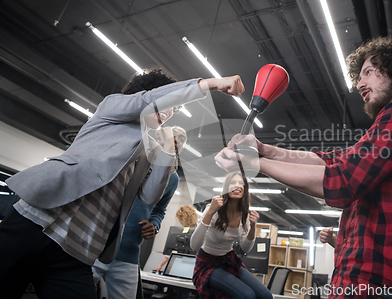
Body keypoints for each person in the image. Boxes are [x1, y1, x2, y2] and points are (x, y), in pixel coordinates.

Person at [215, 37, 392, 298]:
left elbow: (342, 181)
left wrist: (254, 163)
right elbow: (331, 161)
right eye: (359, 76)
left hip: (385, 283)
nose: (359, 84)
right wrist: (264, 149)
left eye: (369, 72)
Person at [0, 69, 244, 299]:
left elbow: (149, 197)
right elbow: (147, 101)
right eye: (168, 105)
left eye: (174, 109)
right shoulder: (112, 108)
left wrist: (168, 149)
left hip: (77, 250)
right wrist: (210, 84)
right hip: (37, 222)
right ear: (147, 94)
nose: (169, 112)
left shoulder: (152, 148)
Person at [92, 126, 187, 299]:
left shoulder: (171, 179)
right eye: (173, 134)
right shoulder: (133, 157)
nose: (176, 139)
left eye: (181, 139)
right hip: (96, 246)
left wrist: (155, 225)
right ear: (159, 136)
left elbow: (159, 210)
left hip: (128, 253)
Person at [190, 172, 273, 299]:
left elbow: (245, 248)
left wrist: (253, 226)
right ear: (226, 188)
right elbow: (194, 245)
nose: (237, 186)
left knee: (266, 295)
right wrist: (210, 212)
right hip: (208, 263)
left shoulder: (245, 215)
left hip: (229, 260)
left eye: (241, 183)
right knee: (247, 295)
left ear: (245, 189)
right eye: (232, 183)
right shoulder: (213, 209)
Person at [154, 204, 200, 273]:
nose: (180, 222)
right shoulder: (179, 232)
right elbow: (172, 250)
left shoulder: (199, 230)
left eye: (181, 219)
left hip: (193, 264)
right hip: (180, 263)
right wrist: (160, 265)